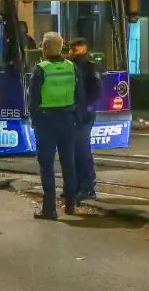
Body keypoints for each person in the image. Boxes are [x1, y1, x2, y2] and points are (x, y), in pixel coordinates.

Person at [28, 31, 84, 219]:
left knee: (47, 166)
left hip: (46, 122)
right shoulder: (72, 67)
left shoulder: (40, 69)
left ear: (44, 48)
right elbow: (80, 96)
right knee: (68, 163)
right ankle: (70, 205)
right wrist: (76, 117)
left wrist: (35, 122)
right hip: (67, 120)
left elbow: (33, 101)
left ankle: (49, 209)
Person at [67, 38, 101, 201]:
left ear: (82, 49)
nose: (70, 53)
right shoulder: (73, 66)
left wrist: (85, 108)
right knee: (74, 151)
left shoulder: (89, 67)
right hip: (75, 112)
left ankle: (87, 187)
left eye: (73, 50)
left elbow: (95, 92)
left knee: (82, 149)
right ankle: (77, 187)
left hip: (84, 114)